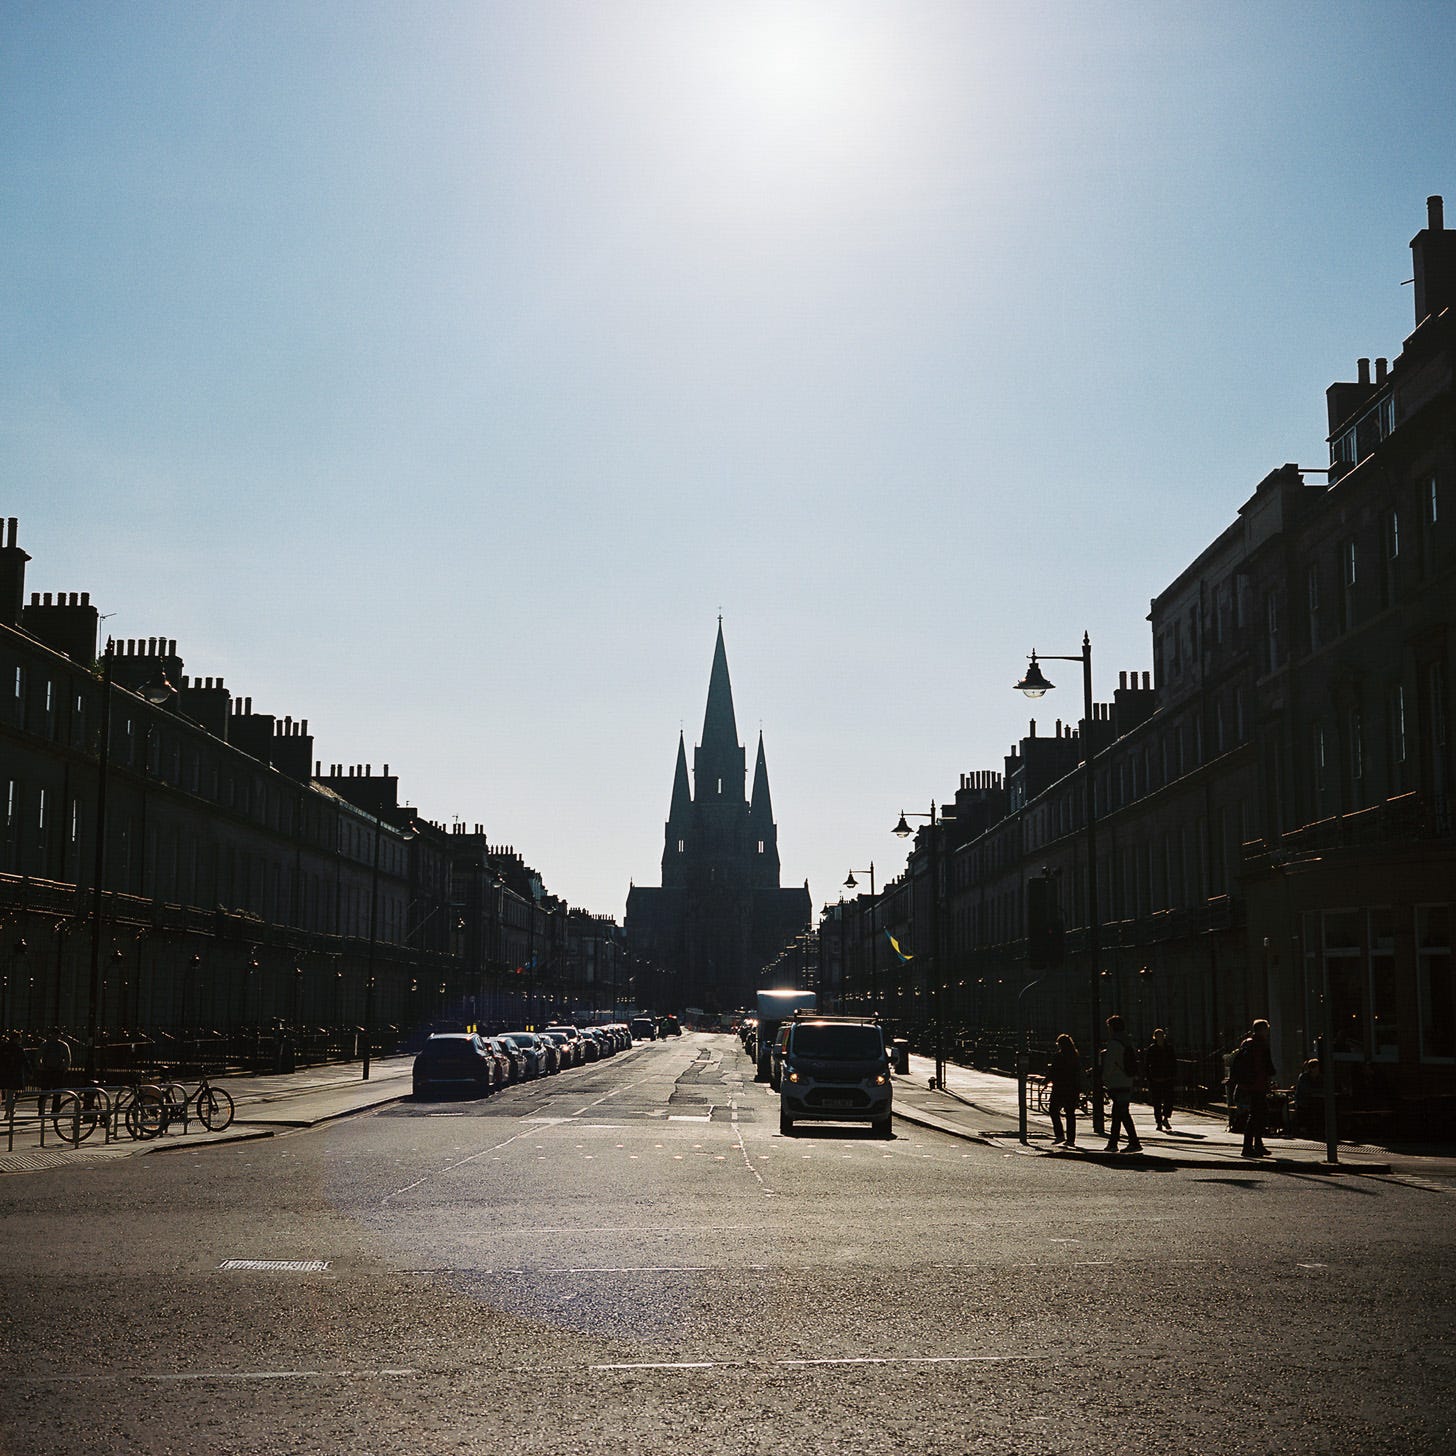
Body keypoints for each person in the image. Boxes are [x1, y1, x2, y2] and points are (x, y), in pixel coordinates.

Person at [1230, 1018, 1277, 1157]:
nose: (1267, 1032)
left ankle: (1257, 1144)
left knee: (1257, 1114)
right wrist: (1271, 1074)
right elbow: (1267, 1066)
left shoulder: (1246, 1043)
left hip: (1248, 1084)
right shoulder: (1261, 1044)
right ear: (1263, 1030)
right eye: (1266, 1029)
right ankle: (1249, 1146)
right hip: (1258, 1084)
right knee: (1258, 1115)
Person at [1101, 1014, 1142, 1153]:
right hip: (1127, 1080)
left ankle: (1133, 1142)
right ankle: (1113, 1143)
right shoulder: (1128, 1042)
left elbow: (1110, 1064)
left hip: (1117, 1081)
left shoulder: (1114, 1043)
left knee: (1122, 1114)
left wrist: (1104, 1079)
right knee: (1119, 1114)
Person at [1047, 1032, 1081, 1147]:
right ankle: (1071, 1139)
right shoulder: (1075, 1056)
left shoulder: (1058, 1056)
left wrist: (1046, 1080)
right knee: (1070, 1113)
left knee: (1053, 1110)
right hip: (1072, 1087)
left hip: (1060, 1087)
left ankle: (1060, 1134)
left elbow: (1053, 1070)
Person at [1144, 1027, 1177, 1132]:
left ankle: (1165, 1118)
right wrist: (1149, 1077)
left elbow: (1173, 1062)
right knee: (1157, 1101)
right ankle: (1159, 1121)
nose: (1160, 1038)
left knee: (1168, 1100)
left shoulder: (1169, 1048)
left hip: (1167, 1077)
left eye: (1161, 1036)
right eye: (1158, 1036)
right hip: (1155, 1077)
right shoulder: (1152, 1048)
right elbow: (1147, 1063)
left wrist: (1173, 1074)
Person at [1293, 1057, 1323, 1137]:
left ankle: (1317, 1129)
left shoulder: (1319, 1077)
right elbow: (1305, 1090)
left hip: (1313, 1100)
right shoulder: (1304, 1077)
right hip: (1303, 1101)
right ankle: (1308, 1130)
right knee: (1311, 1108)